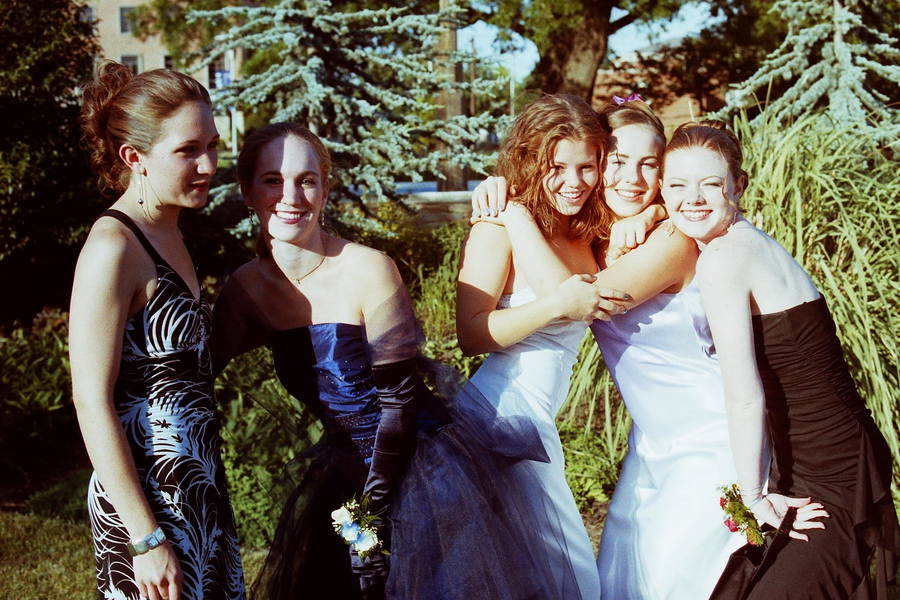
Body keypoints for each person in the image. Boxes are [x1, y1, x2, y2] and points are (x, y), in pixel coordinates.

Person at [212, 121, 616, 599]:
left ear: (325, 189)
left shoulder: (367, 269)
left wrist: (372, 508)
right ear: (247, 191)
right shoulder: (246, 290)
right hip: (344, 471)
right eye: (272, 180)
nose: (291, 196)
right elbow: (197, 370)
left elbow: (397, 403)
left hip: (420, 469)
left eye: (306, 180)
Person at [469, 98, 747, 599]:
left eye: (649, 165)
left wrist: (655, 211)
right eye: (617, 161)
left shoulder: (654, 238)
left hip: (702, 433)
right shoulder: (580, 234)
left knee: (652, 578)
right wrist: (509, 203)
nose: (631, 178)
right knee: (600, 579)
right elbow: (540, 303)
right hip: (593, 432)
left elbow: (582, 294)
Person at [660, 120, 899, 600]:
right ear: (662, 190)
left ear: (738, 186)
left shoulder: (723, 258)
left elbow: (745, 397)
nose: (693, 198)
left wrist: (752, 499)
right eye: (678, 185)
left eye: (711, 184)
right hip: (823, 454)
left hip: (830, 469)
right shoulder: (749, 241)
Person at [70, 60, 245, 600]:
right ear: (134, 158)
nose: (208, 164)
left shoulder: (170, 230)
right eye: (188, 150)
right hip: (147, 502)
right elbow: (90, 400)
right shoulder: (113, 248)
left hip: (198, 486)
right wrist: (145, 538)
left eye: (212, 145)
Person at [458, 93, 639, 600]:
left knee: (536, 576)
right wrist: (556, 303)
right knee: (570, 575)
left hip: (539, 420)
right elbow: (471, 334)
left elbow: (651, 200)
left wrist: (644, 217)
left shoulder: (587, 230)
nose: (574, 182)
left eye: (587, 167)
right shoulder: (497, 227)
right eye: (557, 167)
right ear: (529, 161)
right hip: (499, 416)